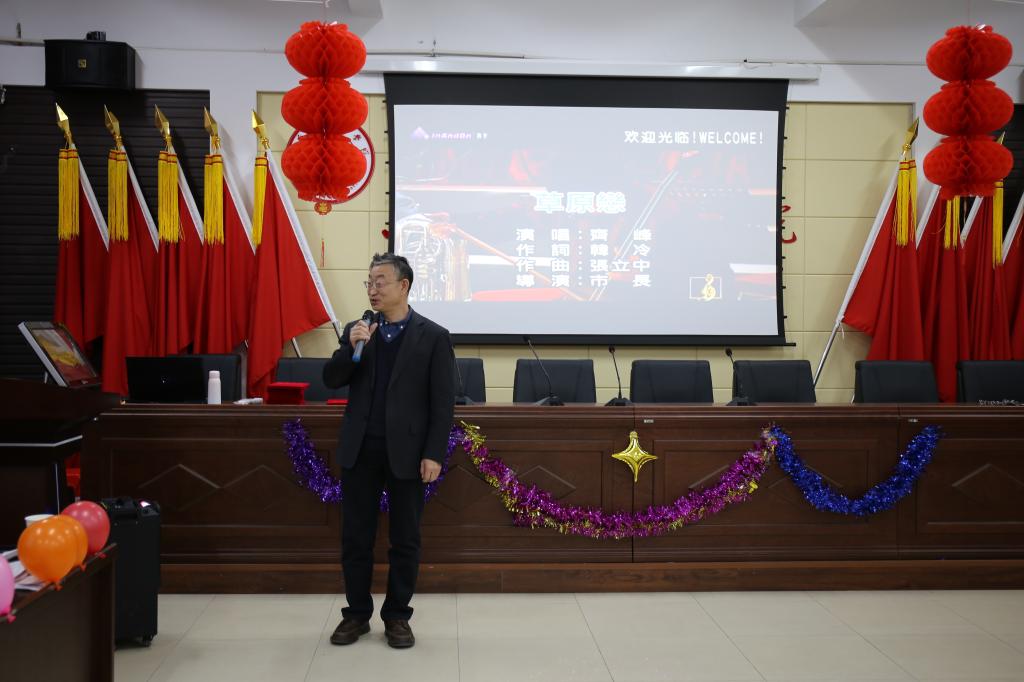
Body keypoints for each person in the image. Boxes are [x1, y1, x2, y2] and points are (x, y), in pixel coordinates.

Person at [323, 252, 455, 649]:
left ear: (403, 285)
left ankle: (397, 616)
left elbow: (442, 403)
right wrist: (350, 348)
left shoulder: (433, 336)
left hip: (408, 453)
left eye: (380, 281)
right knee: (356, 538)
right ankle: (356, 614)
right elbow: (331, 379)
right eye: (369, 282)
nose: (373, 289)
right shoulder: (360, 330)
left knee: (405, 539)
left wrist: (434, 453)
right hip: (360, 449)